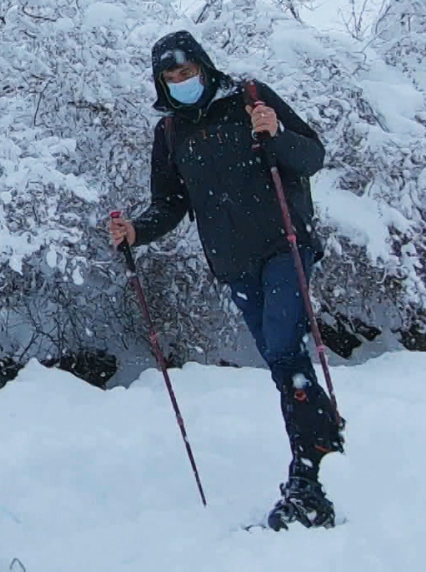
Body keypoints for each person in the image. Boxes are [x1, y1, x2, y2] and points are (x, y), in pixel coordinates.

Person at [108, 30, 345, 530]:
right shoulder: (170, 134)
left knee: (283, 346)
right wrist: (136, 231)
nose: (182, 82)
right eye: (171, 77)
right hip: (233, 264)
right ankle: (315, 448)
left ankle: (308, 475)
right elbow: (171, 205)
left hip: (286, 244)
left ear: (204, 68)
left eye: (187, 72)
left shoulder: (250, 99)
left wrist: (275, 133)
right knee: (283, 360)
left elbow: (312, 158)